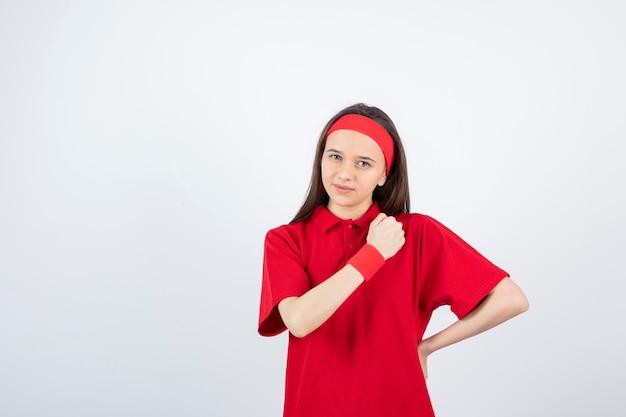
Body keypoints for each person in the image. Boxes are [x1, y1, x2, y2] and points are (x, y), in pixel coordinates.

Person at [258, 103, 529, 417]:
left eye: (363, 163)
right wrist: (373, 254)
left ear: (384, 174)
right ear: (320, 158)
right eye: (335, 156)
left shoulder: (416, 234)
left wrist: (426, 347)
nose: (345, 173)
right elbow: (300, 320)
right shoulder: (286, 240)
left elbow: (510, 299)